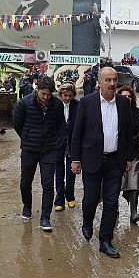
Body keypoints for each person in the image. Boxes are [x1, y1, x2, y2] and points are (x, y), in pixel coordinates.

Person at [71, 67, 133, 259]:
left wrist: (128, 157)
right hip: (91, 159)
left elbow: (128, 132)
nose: (112, 84)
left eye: (114, 80)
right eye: (108, 80)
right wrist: (75, 159)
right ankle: (87, 221)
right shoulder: (86, 102)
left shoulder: (123, 103)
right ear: (99, 82)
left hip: (115, 160)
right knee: (90, 199)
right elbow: (77, 132)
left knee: (111, 201)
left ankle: (105, 240)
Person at [13, 76, 64, 231]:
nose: (45, 97)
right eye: (43, 94)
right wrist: (28, 138)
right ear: (37, 90)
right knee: (25, 181)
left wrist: (53, 140)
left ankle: (45, 218)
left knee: (48, 184)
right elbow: (17, 124)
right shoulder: (24, 103)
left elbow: (59, 125)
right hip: (29, 149)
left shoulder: (57, 105)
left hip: (49, 149)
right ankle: (27, 206)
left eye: (48, 94)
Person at [118, 86, 139, 224]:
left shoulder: (137, 113)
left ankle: (133, 211)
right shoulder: (114, 112)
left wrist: (129, 143)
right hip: (116, 154)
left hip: (134, 151)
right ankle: (113, 210)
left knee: (133, 181)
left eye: (129, 97)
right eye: (123, 97)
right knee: (117, 182)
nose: (126, 99)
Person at [54, 82, 79, 212]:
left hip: (72, 144)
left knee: (71, 173)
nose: (67, 98)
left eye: (70, 96)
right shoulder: (56, 106)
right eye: (65, 95)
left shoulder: (78, 106)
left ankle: (70, 196)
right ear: (61, 94)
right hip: (58, 144)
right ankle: (58, 200)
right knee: (59, 174)